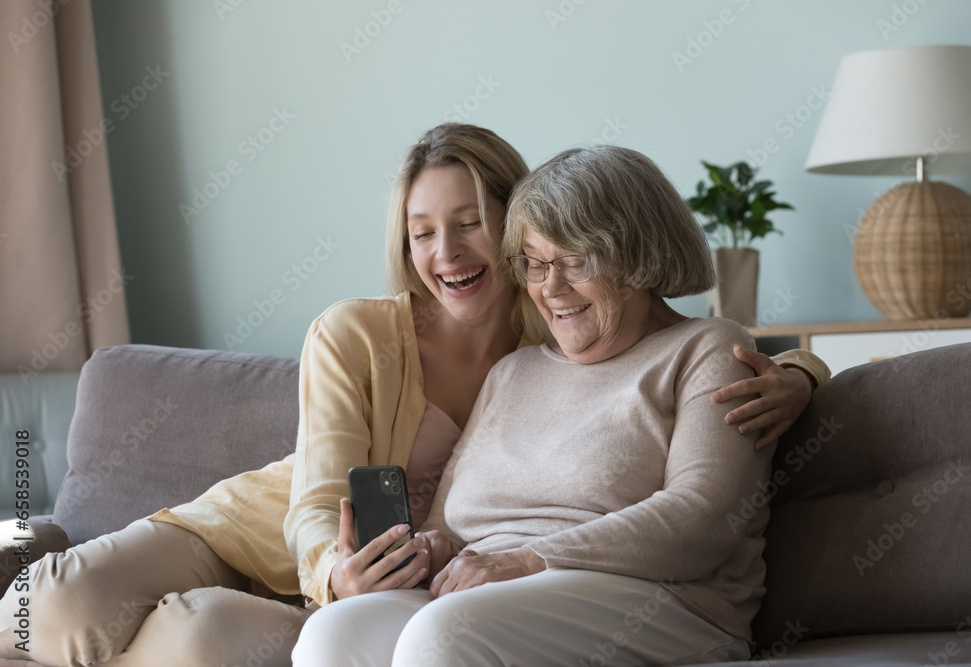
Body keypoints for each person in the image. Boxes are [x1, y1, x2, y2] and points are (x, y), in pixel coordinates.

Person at [0, 126, 826, 666]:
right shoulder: (372, 337)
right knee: (57, 603)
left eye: (470, 223)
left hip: (472, 585)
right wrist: (349, 568)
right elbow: (324, 500)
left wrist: (799, 374)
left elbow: (702, 483)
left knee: (208, 641)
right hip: (279, 540)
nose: (447, 251)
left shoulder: (582, 336)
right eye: (422, 231)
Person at [291, 144, 802, 666]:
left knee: (443, 635)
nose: (550, 288)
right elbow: (447, 524)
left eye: (573, 261)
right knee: (333, 633)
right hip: (498, 592)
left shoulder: (707, 347)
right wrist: (429, 549)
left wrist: (527, 559)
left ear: (638, 255)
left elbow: (702, 521)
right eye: (534, 265)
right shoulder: (514, 371)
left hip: (666, 599)